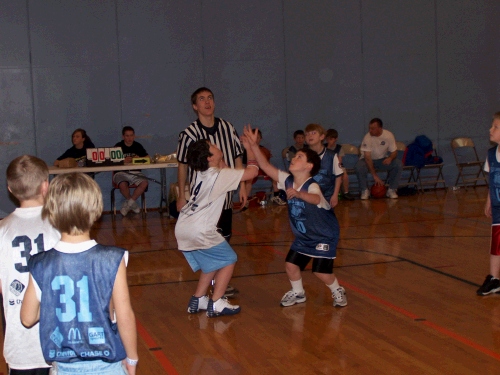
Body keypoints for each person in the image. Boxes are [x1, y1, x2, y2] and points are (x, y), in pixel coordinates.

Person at [21, 172, 138, 375]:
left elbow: (27, 318)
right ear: (95, 209)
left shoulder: (40, 263)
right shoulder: (112, 258)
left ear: (52, 212)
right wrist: (132, 359)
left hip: (65, 368)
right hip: (107, 366)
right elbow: (124, 314)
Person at [243, 125, 347, 308]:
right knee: (291, 265)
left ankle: (337, 290)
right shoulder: (288, 180)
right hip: (304, 236)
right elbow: (265, 166)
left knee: (321, 272)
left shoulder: (312, 185)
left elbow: (315, 199)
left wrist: (299, 195)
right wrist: (253, 146)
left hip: (324, 234)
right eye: (295, 155)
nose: (294, 157)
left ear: (309, 166)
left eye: (299, 157)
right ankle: (298, 293)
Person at [175, 139, 259, 317]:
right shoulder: (219, 176)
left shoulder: (200, 171)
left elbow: (225, 168)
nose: (216, 145)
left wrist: (221, 159)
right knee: (229, 259)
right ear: (208, 157)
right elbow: (252, 172)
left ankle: (198, 299)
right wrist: (251, 150)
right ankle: (217, 302)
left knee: (211, 262)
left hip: (184, 225)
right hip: (200, 228)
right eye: (212, 146)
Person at [177, 87, 246, 297]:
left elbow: (236, 157)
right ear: (195, 106)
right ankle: (216, 288)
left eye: (210, 98)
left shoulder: (227, 127)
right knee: (209, 240)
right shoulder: (189, 134)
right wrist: (181, 194)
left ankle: (216, 285)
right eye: (201, 99)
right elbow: (182, 165)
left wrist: (242, 185)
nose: (207, 102)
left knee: (223, 238)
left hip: (224, 196)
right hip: (203, 200)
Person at [0, 155, 61, 374]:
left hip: (19, 342)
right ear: (46, 186)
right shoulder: (60, 226)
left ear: (10, 189)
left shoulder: (2, 231)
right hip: (58, 338)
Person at [477, 111, 500, 295]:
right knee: (496, 243)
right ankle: (494, 279)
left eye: (495, 127)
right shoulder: (491, 154)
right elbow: (492, 180)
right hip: (498, 206)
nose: (490, 129)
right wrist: (489, 200)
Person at [354, 118, 403, 200]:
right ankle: (364, 190)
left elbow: (394, 152)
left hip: (382, 160)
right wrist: (375, 176)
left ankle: (392, 189)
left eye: (372, 128)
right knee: (359, 167)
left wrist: (390, 158)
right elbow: (368, 158)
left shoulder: (388, 135)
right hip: (367, 160)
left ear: (380, 128)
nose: (370, 130)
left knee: (398, 164)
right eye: (369, 128)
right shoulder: (367, 137)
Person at [242, 129, 286, 209]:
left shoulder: (264, 150)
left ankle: (276, 196)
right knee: (249, 180)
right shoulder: (247, 149)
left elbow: (266, 164)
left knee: (275, 175)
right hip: (252, 169)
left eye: (258, 137)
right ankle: (246, 200)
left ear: (260, 139)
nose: (256, 139)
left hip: (263, 169)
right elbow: (246, 164)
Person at [304, 124, 343, 208]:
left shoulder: (332, 156)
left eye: (313, 133)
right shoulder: (302, 156)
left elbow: (338, 176)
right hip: (308, 195)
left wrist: (335, 195)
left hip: (327, 196)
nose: (310, 136)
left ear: (322, 137)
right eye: (307, 134)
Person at [114, 126, 150, 216]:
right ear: (123, 137)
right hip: (121, 172)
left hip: (136, 173)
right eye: (127, 136)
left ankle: (129, 203)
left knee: (144, 182)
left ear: (134, 136)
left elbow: (147, 158)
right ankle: (133, 204)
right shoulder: (118, 146)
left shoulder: (138, 146)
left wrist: (139, 159)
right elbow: (112, 161)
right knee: (122, 184)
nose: (129, 138)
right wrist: (123, 160)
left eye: (131, 135)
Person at [325, 128, 354, 201]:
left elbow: (339, 160)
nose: (330, 141)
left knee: (344, 175)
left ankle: (346, 192)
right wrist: (328, 147)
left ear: (336, 139)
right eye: (328, 139)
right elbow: (324, 158)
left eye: (332, 139)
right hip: (326, 166)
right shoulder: (324, 147)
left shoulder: (339, 148)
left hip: (338, 166)